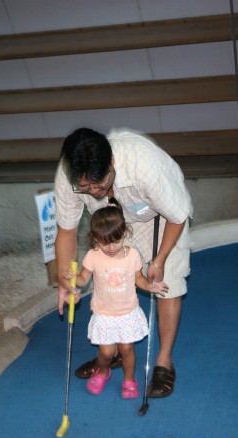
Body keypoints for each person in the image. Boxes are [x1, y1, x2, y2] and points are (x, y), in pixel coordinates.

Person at [54, 127, 193, 398]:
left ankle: (163, 362)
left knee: (167, 284)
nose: (93, 192)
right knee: (109, 276)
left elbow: (177, 216)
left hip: (162, 214)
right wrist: (64, 277)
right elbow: (67, 231)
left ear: (112, 163)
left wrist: (160, 259)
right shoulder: (68, 174)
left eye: (99, 184)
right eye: (85, 187)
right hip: (115, 220)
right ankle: (112, 351)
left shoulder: (143, 164)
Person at [63, 199, 169, 397]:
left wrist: (150, 286)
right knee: (106, 353)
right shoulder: (93, 256)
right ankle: (104, 370)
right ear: (95, 239)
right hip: (104, 314)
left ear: (125, 233)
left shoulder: (132, 255)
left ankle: (129, 379)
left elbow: (139, 279)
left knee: (127, 349)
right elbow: (83, 279)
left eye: (116, 241)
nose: (111, 247)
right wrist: (73, 280)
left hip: (127, 312)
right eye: (104, 243)